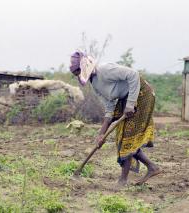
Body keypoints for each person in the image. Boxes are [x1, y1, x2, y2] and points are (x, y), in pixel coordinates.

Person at [69, 51, 161, 186]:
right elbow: (109, 105)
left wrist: (130, 104)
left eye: (78, 70)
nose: (77, 74)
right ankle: (152, 167)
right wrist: (101, 134)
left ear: (84, 65)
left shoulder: (105, 70)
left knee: (127, 137)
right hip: (125, 98)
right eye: (75, 73)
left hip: (141, 94)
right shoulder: (94, 83)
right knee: (120, 138)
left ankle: (122, 181)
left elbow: (133, 75)